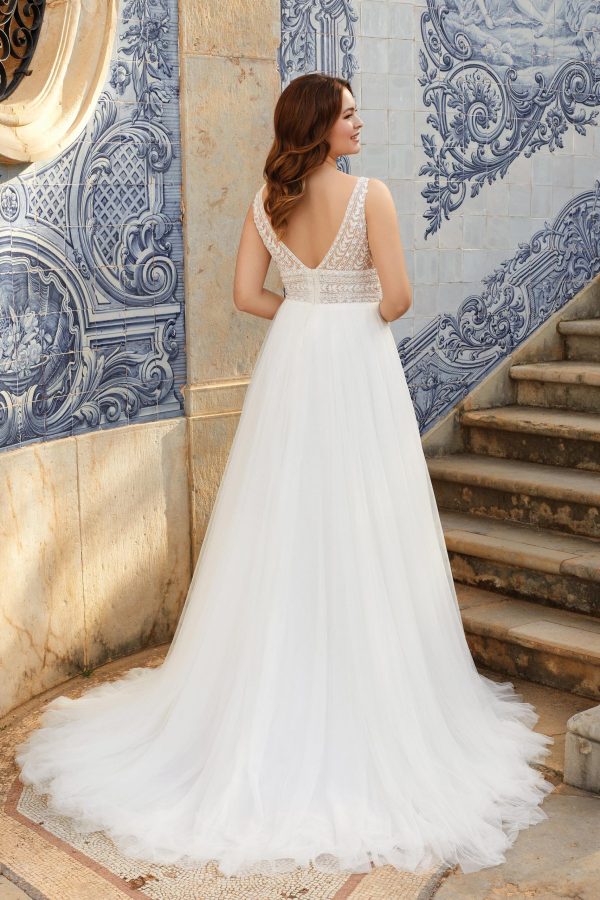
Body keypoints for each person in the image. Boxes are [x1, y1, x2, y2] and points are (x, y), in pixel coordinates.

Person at [16, 72, 554, 879]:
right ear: (322, 126)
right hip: (357, 369)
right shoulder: (371, 196)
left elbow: (244, 295)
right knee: (367, 522)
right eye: (348, 113)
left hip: (294, 368)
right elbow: (399, 298)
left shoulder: (267, 202)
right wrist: (348, 316)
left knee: (282, 525)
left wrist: (306, 313)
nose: (359, 121)